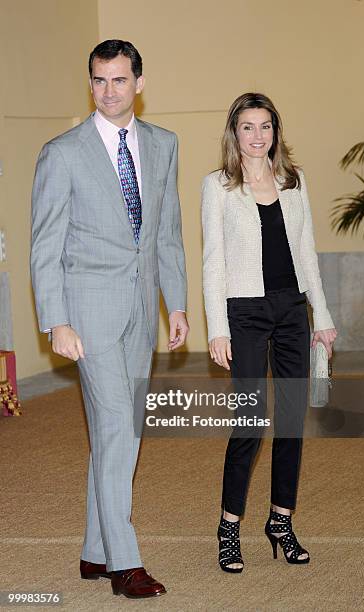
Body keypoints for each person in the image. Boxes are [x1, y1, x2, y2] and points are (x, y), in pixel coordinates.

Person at [31, 39, 189, 599]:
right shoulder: (63, 152)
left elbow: (166, 231)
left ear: (138, 83)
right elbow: (44, 245)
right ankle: (125, 562)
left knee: (115, 433)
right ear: (90, 82)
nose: (109, 91)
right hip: (88, 311)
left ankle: (93, 552)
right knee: (119, 424)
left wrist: (178, 303)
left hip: (142, 309)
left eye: (119, 80)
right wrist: (57, 320)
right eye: (99, 80)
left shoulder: (163, 144)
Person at [201, 92, 337, 572]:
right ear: (233, 133)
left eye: (265, 126)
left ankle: (281, 521)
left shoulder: (295, 181)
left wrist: (321, 317)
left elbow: (308, 253)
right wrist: (217, 328)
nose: (257, 136)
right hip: (245, 312)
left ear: (275, 132)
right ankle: (229, 527)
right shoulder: (217, 186)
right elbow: (212, 261)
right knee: (249, 423)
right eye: (247, 127)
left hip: (291, 310)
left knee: (292, 420)